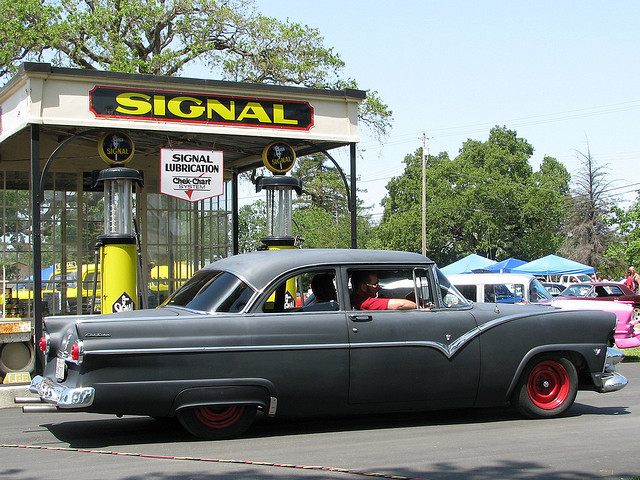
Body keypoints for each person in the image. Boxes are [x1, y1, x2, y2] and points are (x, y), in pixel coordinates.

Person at [350, 271, 417, 310]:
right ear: (364, 287)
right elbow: (401, 305)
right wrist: (418, 306)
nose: (378, 288)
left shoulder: (354, 300)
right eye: (375, 285)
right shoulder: (364, 302)